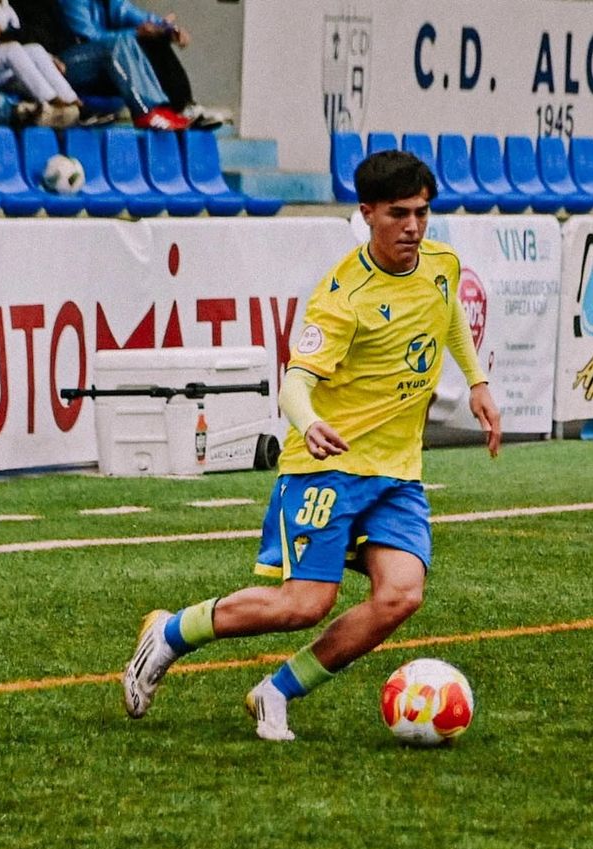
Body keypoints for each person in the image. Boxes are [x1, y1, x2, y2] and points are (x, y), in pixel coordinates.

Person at [120, 150, 503, 742]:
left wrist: (476, 382)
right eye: (398, 214)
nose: (413, 228)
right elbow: (296, 378)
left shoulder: (440, 263)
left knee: (400, 596)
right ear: (367, 213)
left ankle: (276, 691)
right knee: (303, 604)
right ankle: (170, 634)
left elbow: (447, 308)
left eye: (423, 213)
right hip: (329, 466)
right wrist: (307, 422)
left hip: (397, 472)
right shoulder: (343, 296)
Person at [57, 0, 226, 129]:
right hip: (65, 66)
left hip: (103, 64)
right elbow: (88, 37)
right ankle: (146, 112)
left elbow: (135, 16)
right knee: (117, 44)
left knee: (155, 38)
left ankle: (183, 106)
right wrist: (136, 32)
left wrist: (168, 29)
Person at [0, 0, 86, 126]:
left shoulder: (7, 6)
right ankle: (52, 102)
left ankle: (74, 102)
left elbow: (16, 39)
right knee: (11, 50)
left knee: (35, 49)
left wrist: (48, 57)